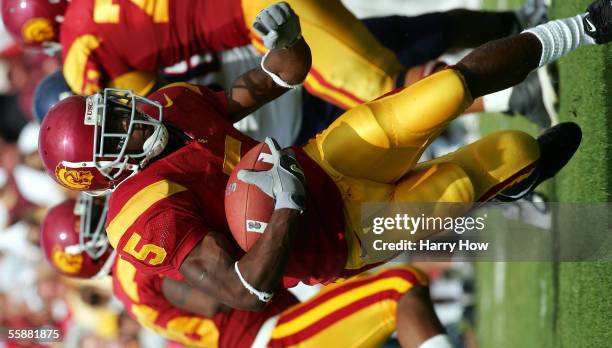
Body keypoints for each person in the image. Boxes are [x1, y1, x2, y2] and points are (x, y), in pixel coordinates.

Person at [38, 0, 607, 315]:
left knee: (447, 89)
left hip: (325, 158)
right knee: (511, 151)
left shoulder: (170, 103)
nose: (129, 117)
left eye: (112, 109)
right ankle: (506, 183)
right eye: (115, 132)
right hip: (340, 237)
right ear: (107, 171)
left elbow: (271, 82)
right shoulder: (141, 213)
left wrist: (287, 44)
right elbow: (244, 291)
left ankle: (586, 26)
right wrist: (285, 211)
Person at [41, 195, 454, 348]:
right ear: (87, 248)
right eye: (90, 217)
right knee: (398, 290)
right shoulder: (134, 265)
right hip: (268, 337)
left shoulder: (128, 291)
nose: (100, 206)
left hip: (272, 324)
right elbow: (215, 298)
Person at [3, 0, 548, 112]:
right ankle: (516, 20)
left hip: (263, 16)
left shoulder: (82, 57)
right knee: (400, 33)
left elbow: (156, 112)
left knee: (384, 94)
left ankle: (511, 97)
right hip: (264, 10)